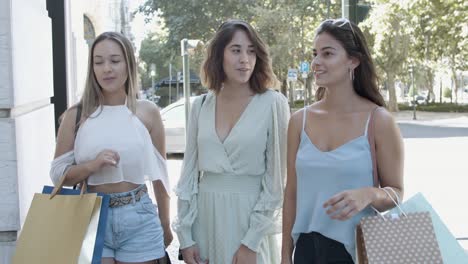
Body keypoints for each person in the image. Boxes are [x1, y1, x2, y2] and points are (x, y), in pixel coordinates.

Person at [281, 19, 404, 263]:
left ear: (353, 60)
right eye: (315, 54)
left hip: (356, 253)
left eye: (327, 54)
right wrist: (285, 254)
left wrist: (369, 194)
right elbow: (292, 194)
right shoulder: (299, 121)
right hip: (305, 252)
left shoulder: (379, 121)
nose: (316, 62)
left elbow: (397, 193)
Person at [50, 31, 173, 264]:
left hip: (139, 217)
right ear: (92, 68)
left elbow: (161, 176)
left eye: (115, 61)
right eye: (99, 62)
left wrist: (165, 224)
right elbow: (58, 175)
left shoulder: (148, 112)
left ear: (129, 64)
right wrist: (91, 166)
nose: (107, 68)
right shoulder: (76, 115)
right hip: (92, 215)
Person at [173, 19, 290, 264]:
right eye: (236, 50)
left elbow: (276, 181)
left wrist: (252, 241)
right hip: (205, 222)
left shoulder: (273, 104)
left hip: (249, 223)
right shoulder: (201, 105)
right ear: (219, 56)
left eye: (251, 51)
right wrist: (185, 236)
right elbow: (189, 174)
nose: (244, 59)